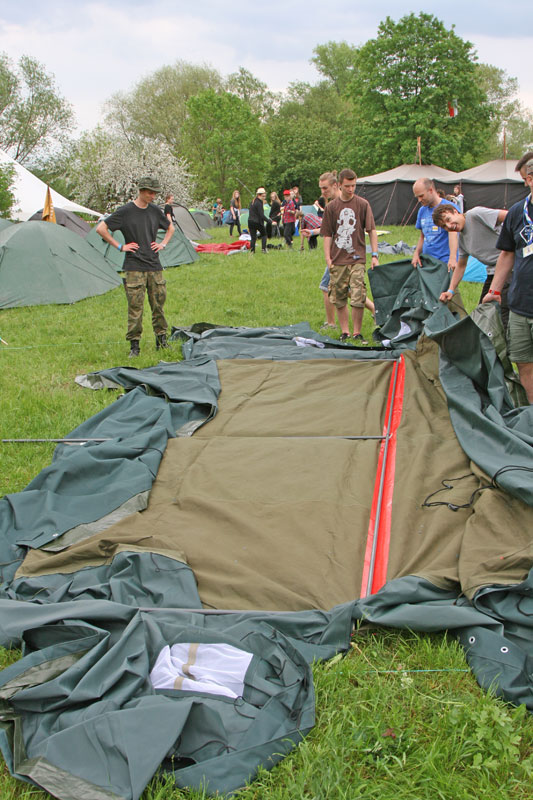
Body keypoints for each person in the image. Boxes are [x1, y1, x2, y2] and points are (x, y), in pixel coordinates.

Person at [96, 176, 174, 358]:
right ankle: (134, 347)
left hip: (154, 265)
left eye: (155, 193)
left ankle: (161, 341)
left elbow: (170, 228)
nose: (153, 196)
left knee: (158, 306)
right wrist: (120, 246)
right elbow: (101, 228)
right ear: (140, 191)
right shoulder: (125, 212)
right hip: (133, 266)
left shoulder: (155, 211)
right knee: (135, 307)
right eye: (149, 192)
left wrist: (163, 244)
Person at [482, 157, 533, 403]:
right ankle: (530, 415)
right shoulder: (516, 213)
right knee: (523, 361)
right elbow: (507, 254)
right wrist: (495, 290)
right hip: (521, 305)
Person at [320, 168, 379, 343]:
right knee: (338, 296)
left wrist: (374, 254)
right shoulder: (332, 207)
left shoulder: (362, 204)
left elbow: (372, 230)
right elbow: (327, 234)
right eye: (347, 186)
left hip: (357, 257)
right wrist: (328, 258)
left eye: (353, 185)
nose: (351, 189)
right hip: (338, 258)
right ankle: (345, 331)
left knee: (358, 295)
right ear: (339, 185)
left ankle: (357, 332)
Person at [432, 204, 509, 326]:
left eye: (448, 220)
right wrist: (450, 291)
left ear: (455, 211)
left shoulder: (475, 214)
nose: (449, 226)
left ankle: (509, 342)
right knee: (483, 312)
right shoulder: (462, 240)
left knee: (503, 312)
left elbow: (510, 216)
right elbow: (461, 266)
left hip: (511, 267)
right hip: (493, 272)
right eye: (444, 227)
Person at [411, 178, 458, 269]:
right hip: (427, 262)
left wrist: (452, 258)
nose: (419, 200)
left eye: (421, 196)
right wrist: (416, 254)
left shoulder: (448, 207)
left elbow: (453, 234)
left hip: (444, 262)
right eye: (417, 197)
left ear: (431, 190)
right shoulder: (422, 211)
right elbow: (422, 237)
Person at [248, 187, 268, 254]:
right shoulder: (259, 203)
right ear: (259, 195)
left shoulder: (253, 202)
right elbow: (261, 215)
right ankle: (263, 249)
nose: (264, 197)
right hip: (257, 222)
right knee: (264, 234)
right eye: (263, 196)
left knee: (253, 237)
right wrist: (270, 221)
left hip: (250, 221)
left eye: (265, 195)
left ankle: (252, 251)